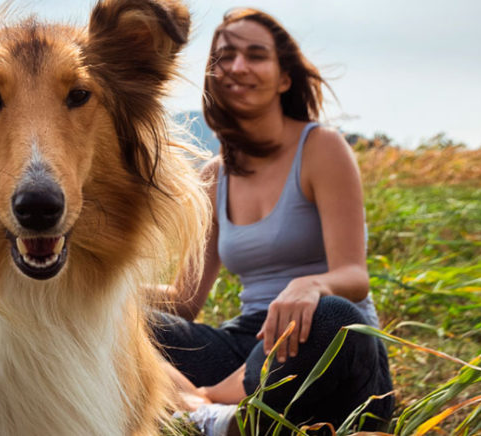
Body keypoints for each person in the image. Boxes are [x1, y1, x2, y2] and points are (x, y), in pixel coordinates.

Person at [153, 7, 394, 435]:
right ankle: (219, 416)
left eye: (256, 55)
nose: (238, 67)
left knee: (330, 315)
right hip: (247, 343)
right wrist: (104, 293)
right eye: (225, 56)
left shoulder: (321, 148)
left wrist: (311, 285)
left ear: (284, 78)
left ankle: (201, 409)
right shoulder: (214, 176)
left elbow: (354, 276)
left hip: (328, 348)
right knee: (125, 320)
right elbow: (185, 300)